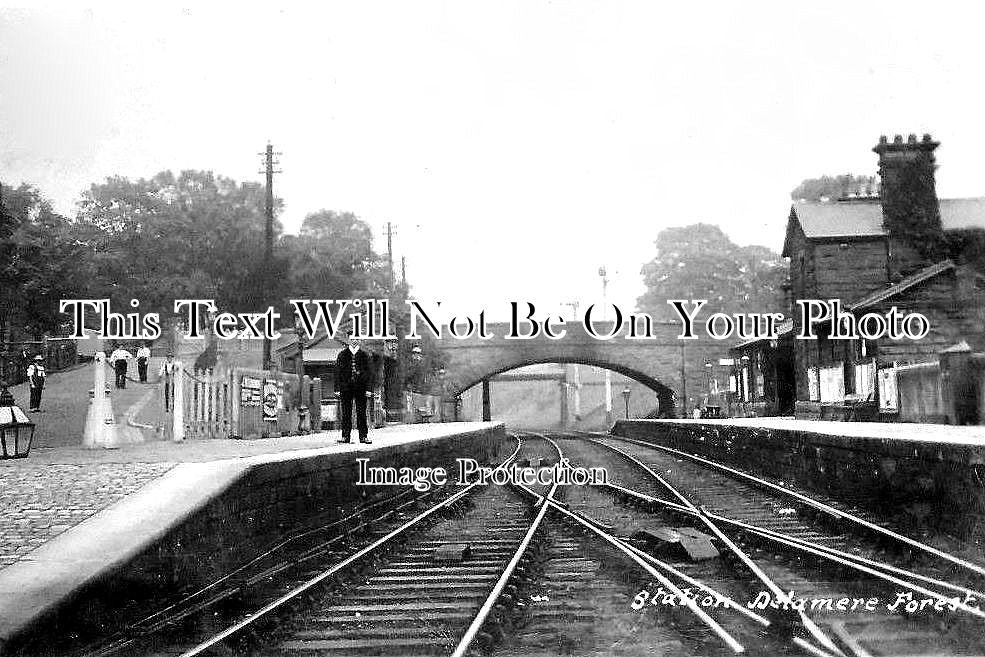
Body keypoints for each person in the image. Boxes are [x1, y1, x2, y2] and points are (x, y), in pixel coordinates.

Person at [335, 338, 374, 444]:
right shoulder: (342, 355)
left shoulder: (365, 355)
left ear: (360, 340)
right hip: (346, 388)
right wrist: (338, 388)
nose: (354, 341)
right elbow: (337, 372)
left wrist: (369, 389)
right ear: (347, 339)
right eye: (352, 338)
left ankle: (363, 436)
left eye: (356, 338)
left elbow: (370, 373)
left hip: (361, 388)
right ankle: (345, 436)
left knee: (361, 412)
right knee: (346, 413)